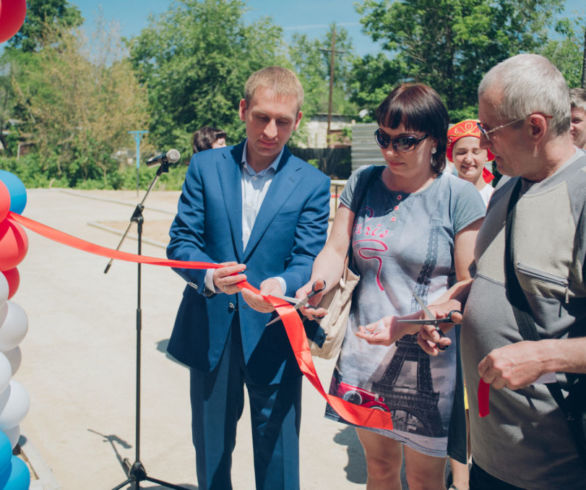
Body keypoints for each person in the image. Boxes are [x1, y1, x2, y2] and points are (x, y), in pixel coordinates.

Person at [297, 83, 485, 490]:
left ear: (434, 140)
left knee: (424, 479)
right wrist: (317, 284)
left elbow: (471, 283)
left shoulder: (459, 197)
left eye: (405, 141)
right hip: (363, 356)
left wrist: (429, 320)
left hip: (429, 359)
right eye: (384, 137)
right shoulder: (362, 182)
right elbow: (334, 249)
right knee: (379, 470)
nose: (390, 150)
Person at [411, 54, 586, 489]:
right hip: (491, 460)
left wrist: (547, 355)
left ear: (535, 127)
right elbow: (492, 281)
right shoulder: (507, 186)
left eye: (490, 131)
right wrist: (455, 300)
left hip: (557, 469)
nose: (483, 145)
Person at [167, 66, 331, 490]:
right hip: (211, 333)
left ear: (297, 120)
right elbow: (181, 241)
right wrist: (209, 275)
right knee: (213, 460)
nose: (271, 131)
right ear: (243, 110)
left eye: (283, 120)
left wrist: (282, 285)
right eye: (261, 117)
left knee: (278, 461)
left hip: (275, 336)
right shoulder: (205, 167)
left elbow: (307, 257)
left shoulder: (312, 183)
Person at [447, 120, 495, 206]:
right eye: (461, 152)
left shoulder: (495, 198)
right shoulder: (444, 197)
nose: (468, 159)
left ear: (487, 155)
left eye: (476, 152)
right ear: (452, 156)